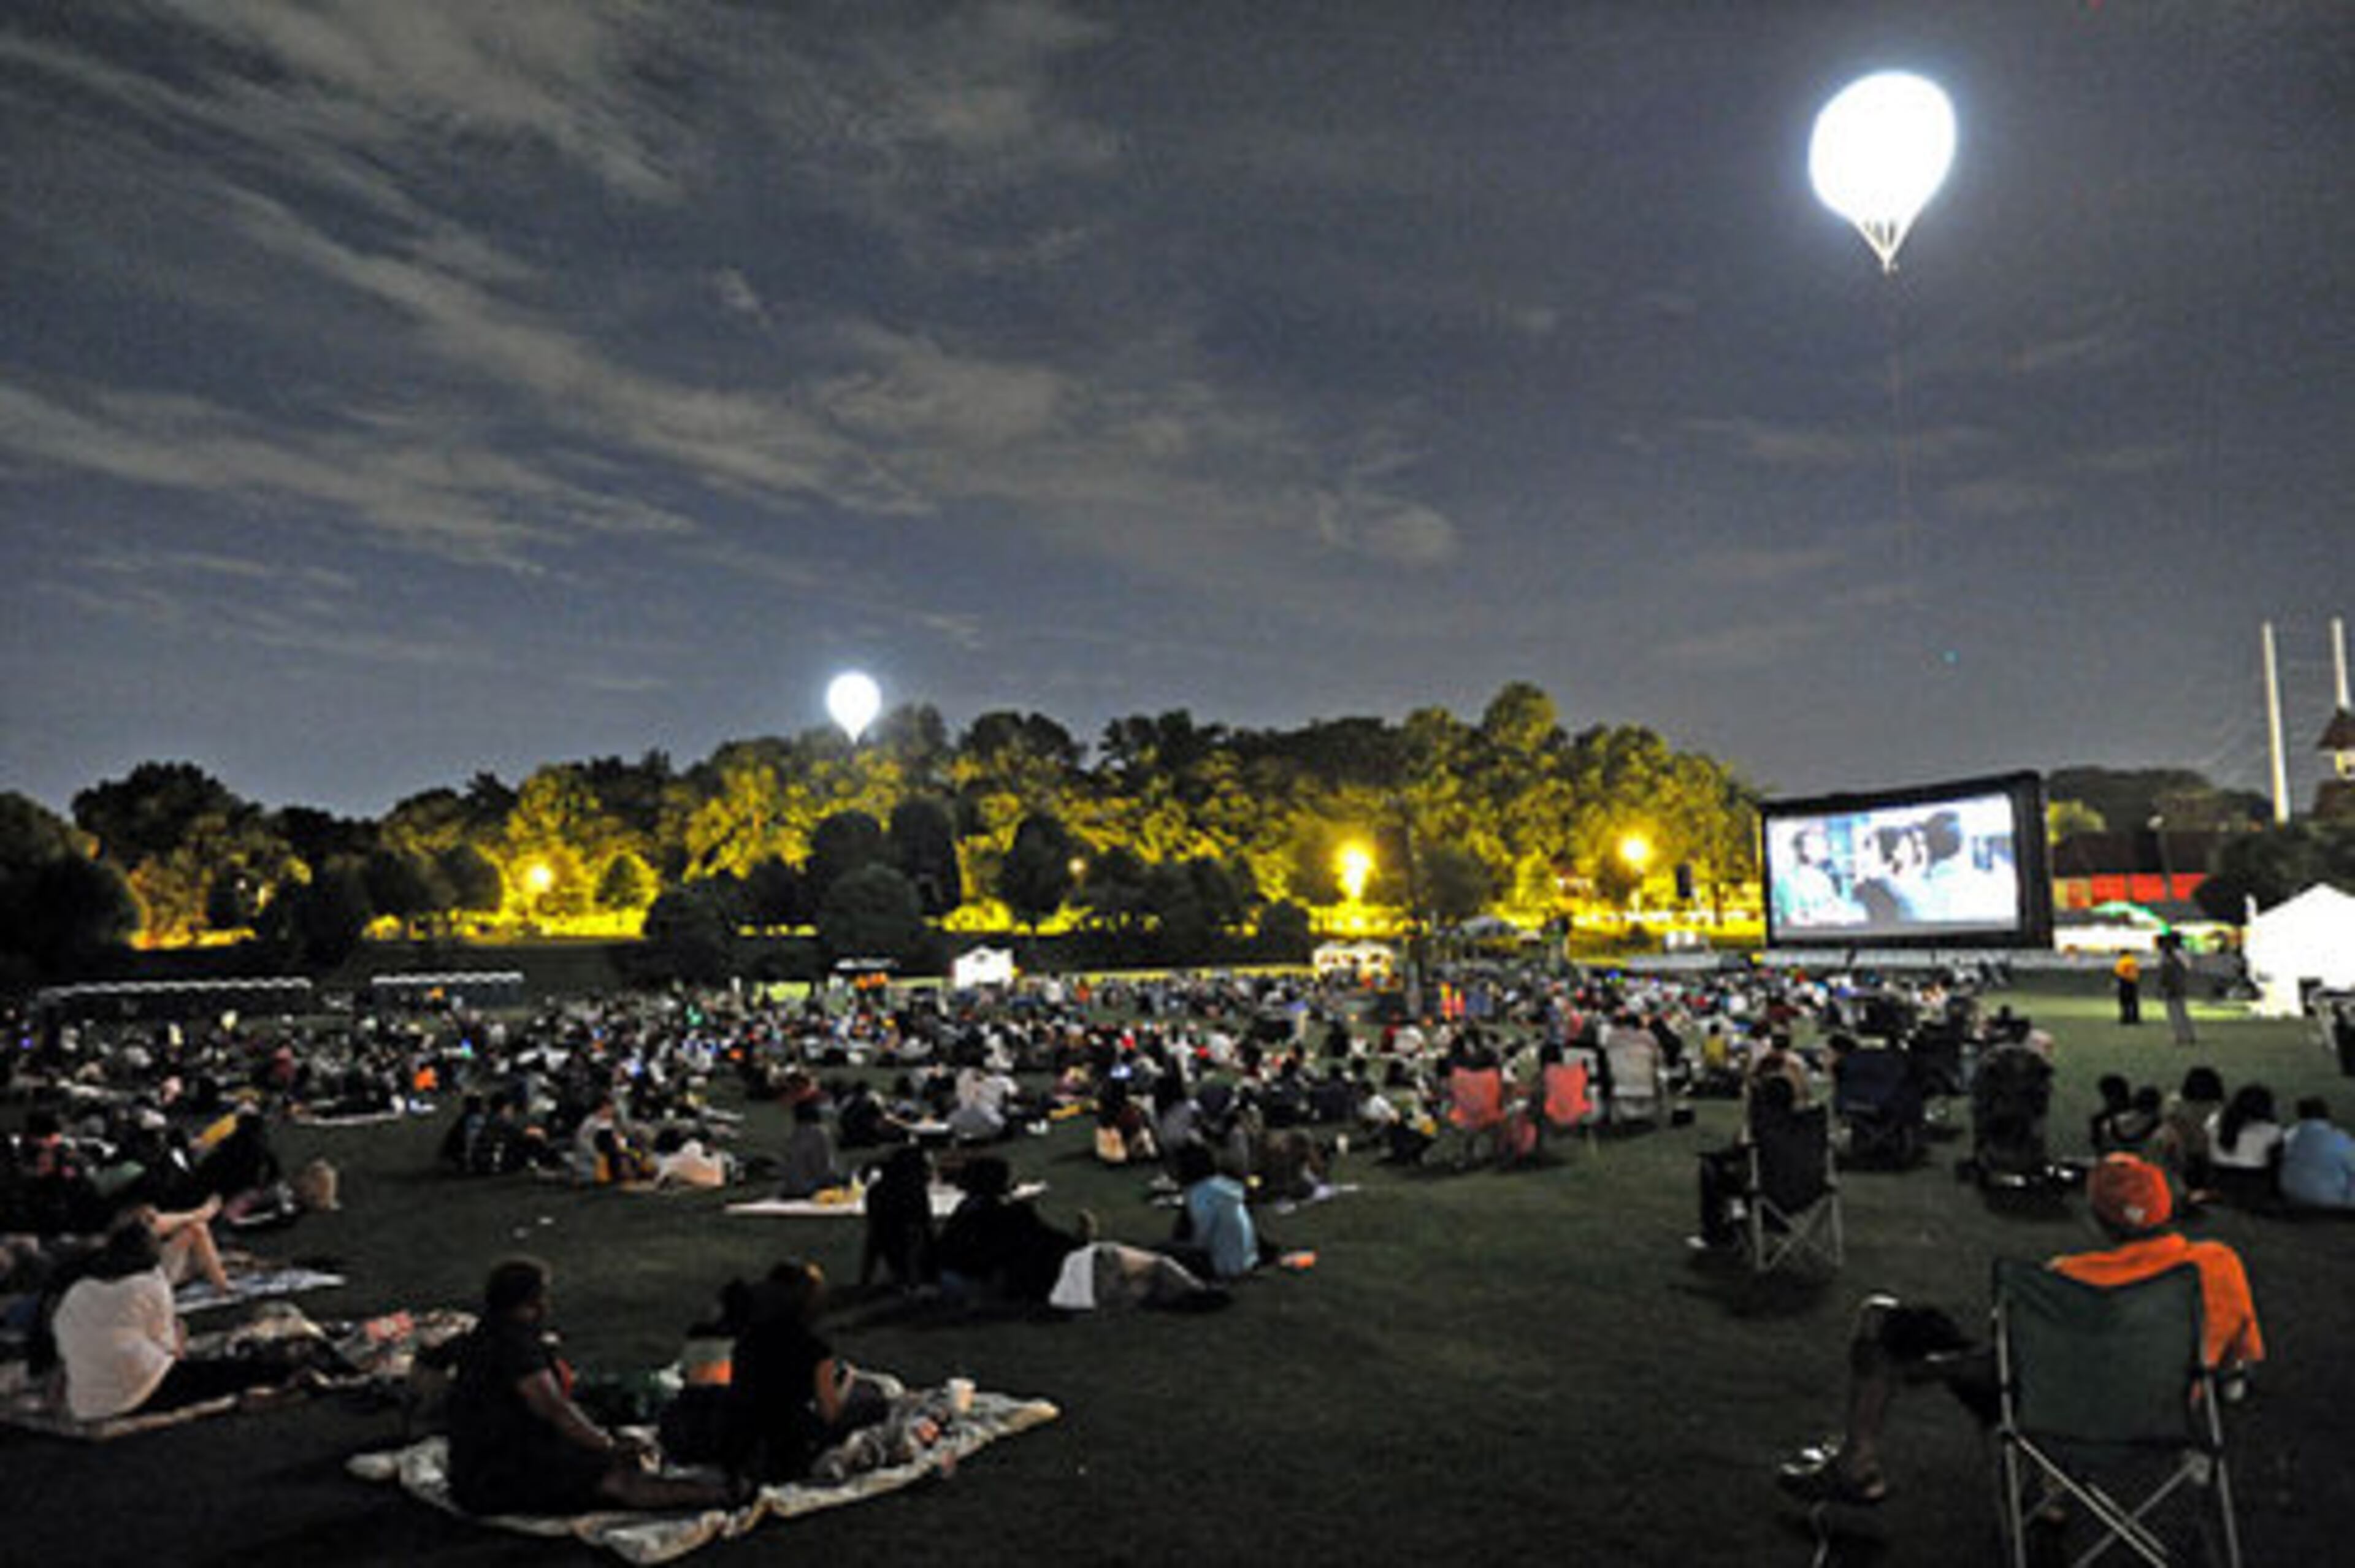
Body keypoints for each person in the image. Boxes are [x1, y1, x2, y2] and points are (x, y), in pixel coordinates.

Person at [1776, 1153, 2262, 1506]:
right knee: (2071, 1372)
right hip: (2162, 1418)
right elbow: (2237, 1366)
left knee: (1884, 1319)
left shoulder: (2067, 1278)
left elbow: (2006, 1365)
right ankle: (2049, 1491)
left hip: (2055, 1415)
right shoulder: (2220, 1265)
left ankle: (1856, 1465)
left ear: (2099, 1217)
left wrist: (1926, 1369)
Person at [444, 1256, 733, 1515]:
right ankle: (723, 1494)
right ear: (532, 1301)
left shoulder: (483, 1335)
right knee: (620, 1479)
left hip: (475, 1467)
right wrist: (606, 1446)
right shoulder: (514, 1346)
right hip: (499, 1476)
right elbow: (554, 1409)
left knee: (607, 1455)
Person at [49, 1221, 313, 1422]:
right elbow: (172, 1352)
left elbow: (66, 1348)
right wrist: (178, 1334)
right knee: (221, 1374)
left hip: (84, 1401)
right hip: (134, 1393)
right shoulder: (149, 1287)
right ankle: (287, 1370)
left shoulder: (81, 1289)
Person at [2278, 1098, 2355, 1211]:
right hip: (2331, 1200)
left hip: (2293, 1195)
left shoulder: (2288, 1136)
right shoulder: (2339, 1139)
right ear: (2327, 1114)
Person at [2158, 935, 2196, 1047]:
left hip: (2172, 987)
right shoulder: (2181, 956)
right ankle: (2188, 1035)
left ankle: (2180, 1036)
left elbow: (2165, 974)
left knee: (2175, 1013)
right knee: (2181, 1012)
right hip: (2179, 986)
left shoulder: (2170, 958)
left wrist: (2162, 987)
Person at [2112, 952, 2142, 1027]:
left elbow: (2118, 972)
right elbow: (2137, 971)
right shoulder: (2134, 961)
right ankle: (2135, 1018)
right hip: (2133, 982)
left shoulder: (2121, 961)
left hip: (2124, 982)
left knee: (2124, 1001)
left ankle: (2126, 1018)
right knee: (2134, 1001)